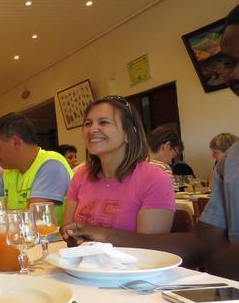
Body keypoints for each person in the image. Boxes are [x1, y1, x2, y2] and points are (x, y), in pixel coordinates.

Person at [63, 0, 239, 285]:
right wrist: (106, 236)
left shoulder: (154, 176)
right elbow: (200, 243)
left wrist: (229, 258)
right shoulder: (235, 159)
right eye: (230, 63)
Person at [62, 96, 175, 235]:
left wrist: (92, 232)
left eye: (103, 122)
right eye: (88, 123)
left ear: (128, 134)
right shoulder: (80, 175)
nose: (92, 129)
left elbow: (149, 245)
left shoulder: (155, 179)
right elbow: (68, 233)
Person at [0, 112, 72, 220]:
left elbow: (34, 218)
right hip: (18, 231)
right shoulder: (9, 172)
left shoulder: (52, 164)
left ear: (15, 142)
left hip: (50, 232)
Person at [146, 126, 183, 190]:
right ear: (167, 146)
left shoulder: (136, 166)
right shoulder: (163, 168)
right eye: (173, 156)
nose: (170, 162)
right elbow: (172, 194)